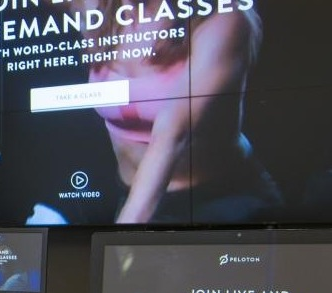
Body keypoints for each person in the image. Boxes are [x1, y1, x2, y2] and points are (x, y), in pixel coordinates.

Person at [83, 0, 280, 223]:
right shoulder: (97, 11)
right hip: (129, 196)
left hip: (223, 201)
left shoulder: (226, 17)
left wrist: (124, 234)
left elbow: (173, 134)